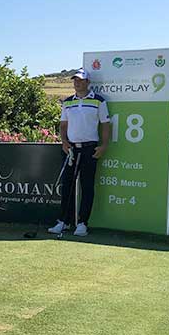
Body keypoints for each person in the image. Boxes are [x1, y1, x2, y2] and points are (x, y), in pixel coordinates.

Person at [48, 68, 111, 237]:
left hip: (90, 148)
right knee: (67, 186)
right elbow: (63, 125)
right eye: (75, 80)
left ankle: (82, 223)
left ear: (88, 82)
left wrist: (104, 145)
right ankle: (64, 221)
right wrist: (64, 142)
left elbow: (105, 124)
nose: (77, 83)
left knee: (87, 186)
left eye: (81, 80)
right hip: (70, 149)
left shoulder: (99, 101)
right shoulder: (68, 102)